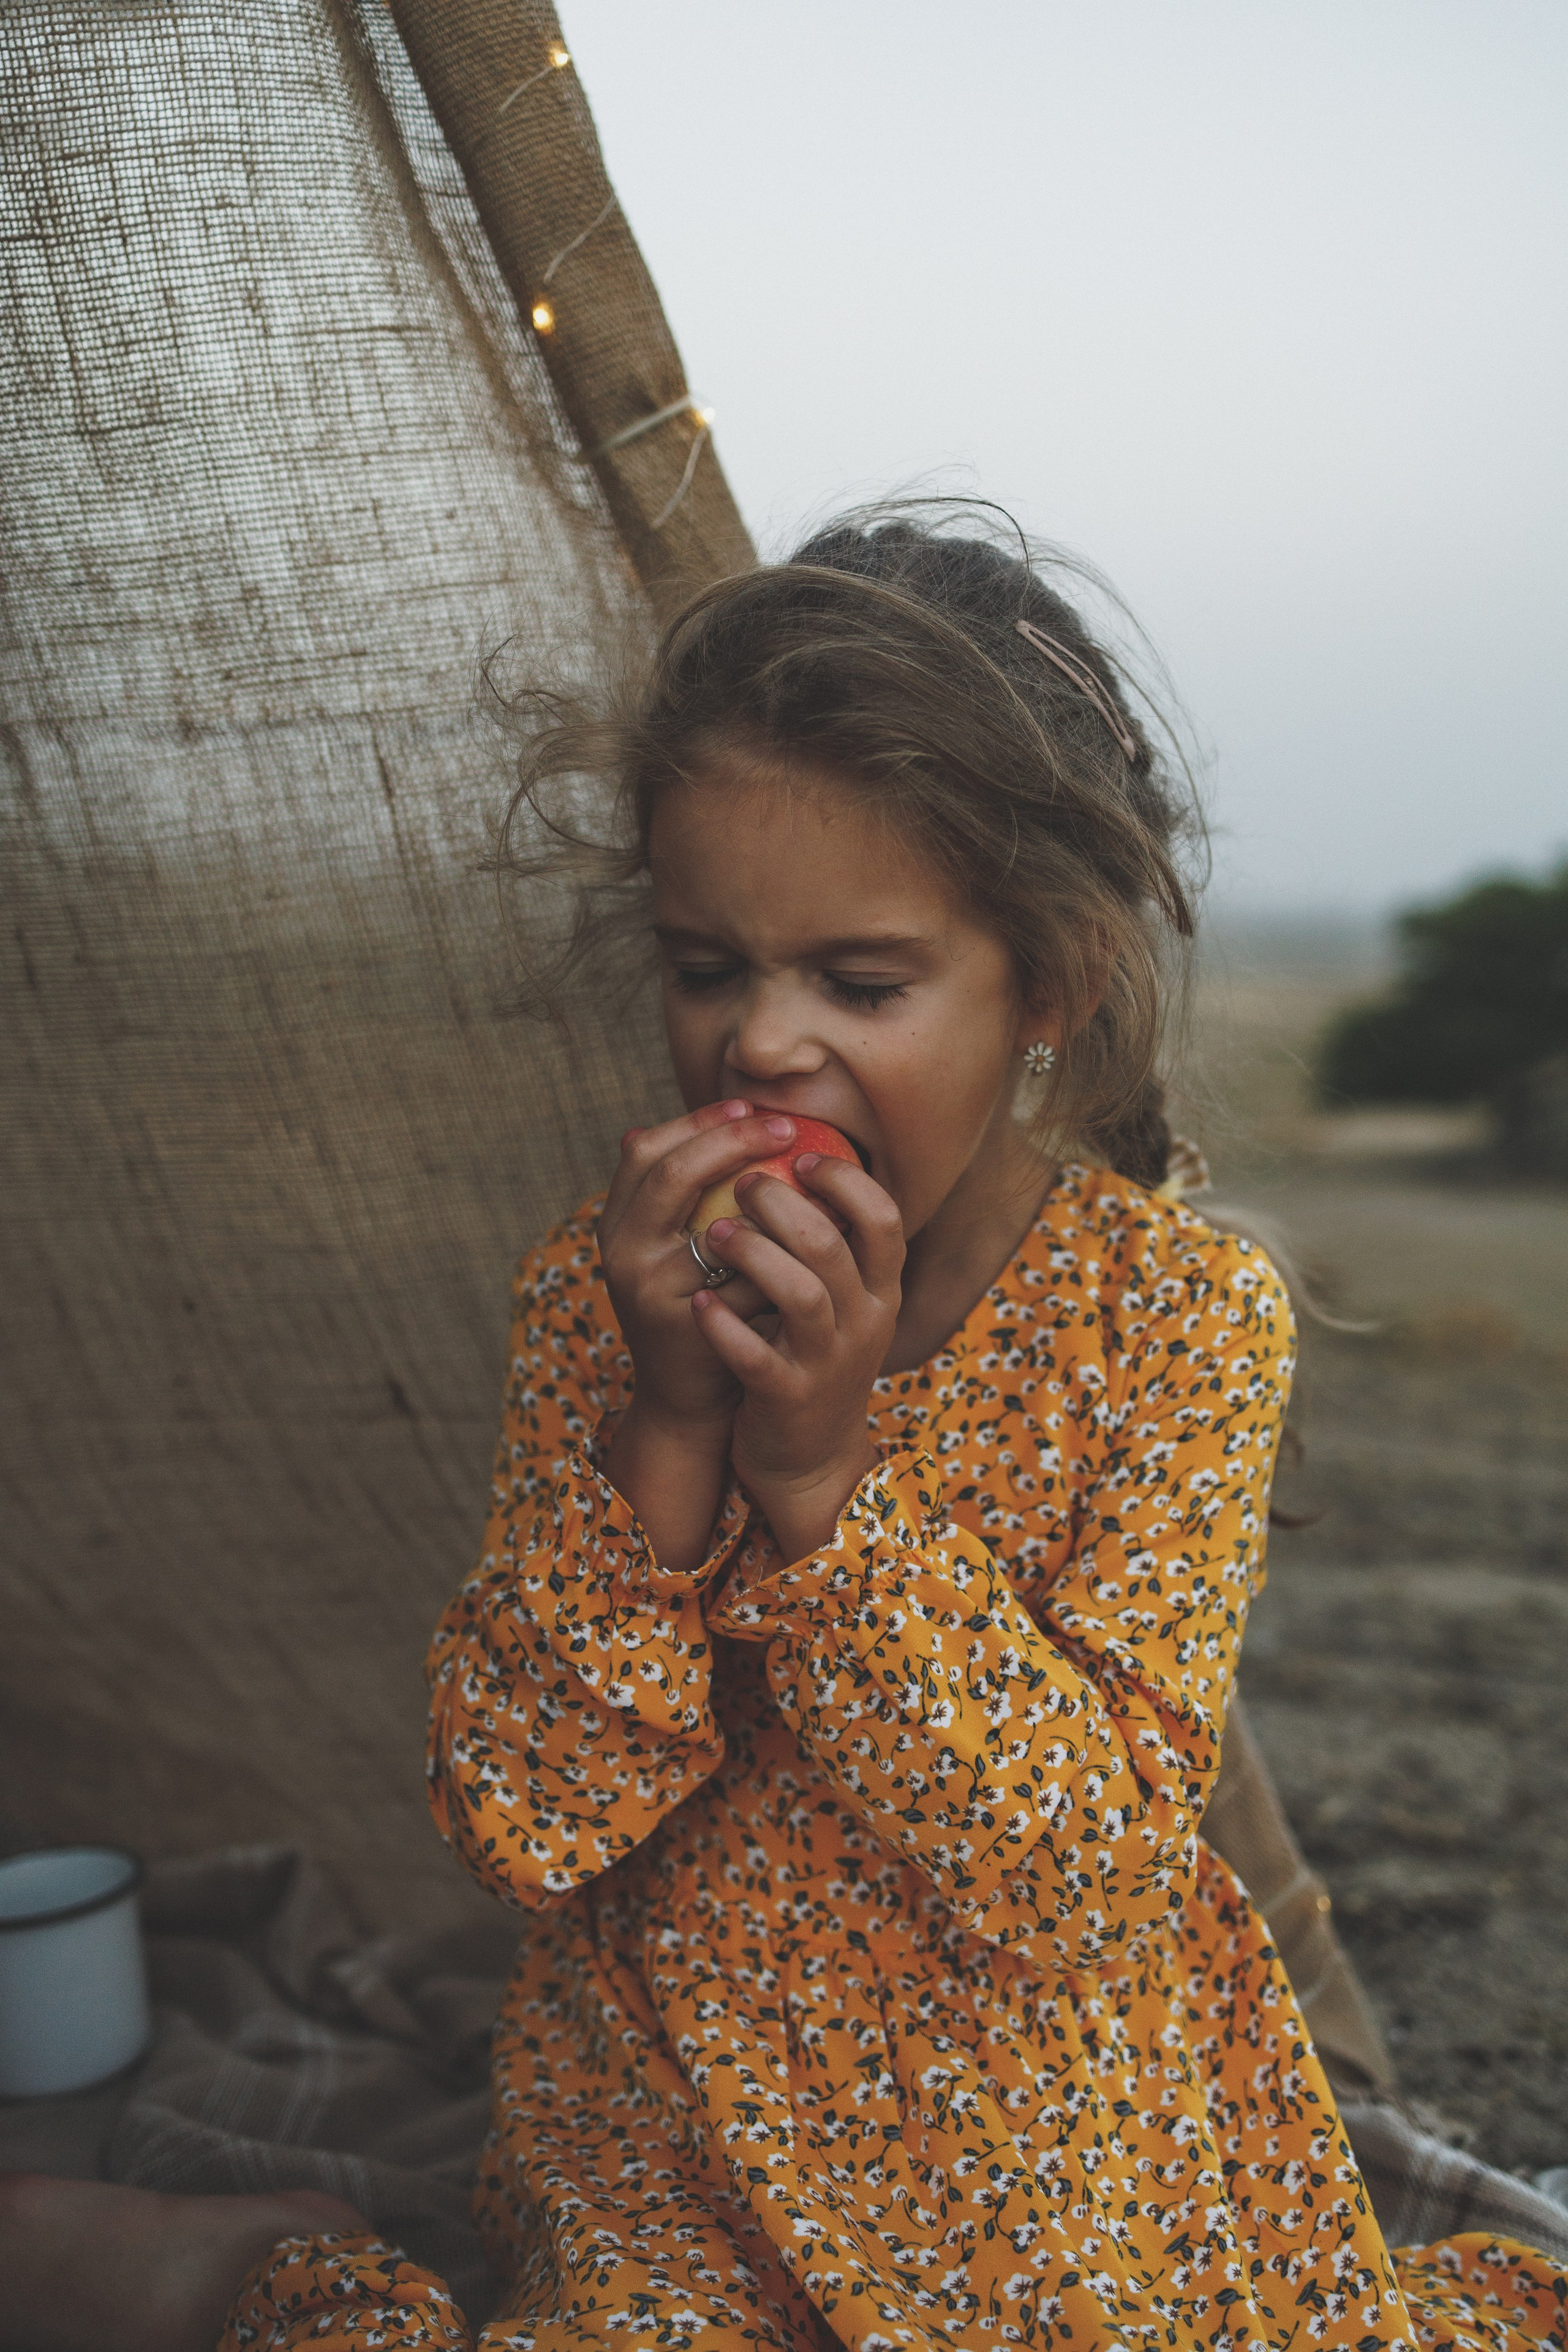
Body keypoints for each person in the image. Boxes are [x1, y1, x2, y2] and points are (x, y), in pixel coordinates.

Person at [4, 513, 1562, 2349]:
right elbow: (521, 1829)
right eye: (706, 966)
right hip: (673, 2111)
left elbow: (1084, 1879)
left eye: (862, 983)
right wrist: (674, 1426)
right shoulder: (600, 1306)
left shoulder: (1175, 1324)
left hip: (1052, 2115)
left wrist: (825, 1485)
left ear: (1045, 985)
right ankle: (235, 2267)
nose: (761, 1046)